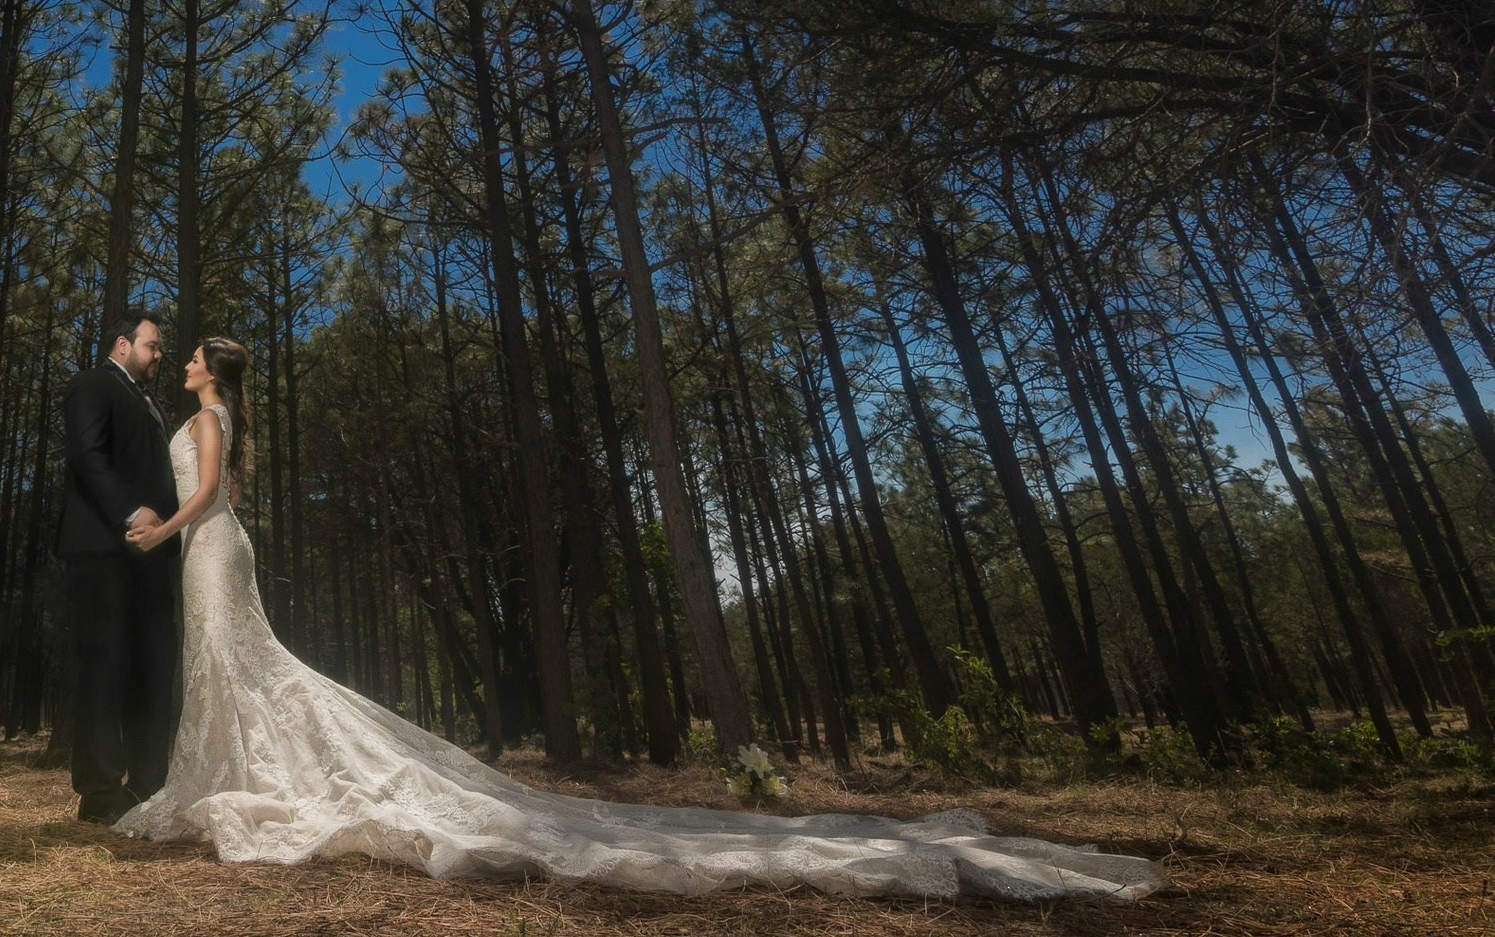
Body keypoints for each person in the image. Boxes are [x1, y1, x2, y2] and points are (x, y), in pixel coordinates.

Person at [116, 336, 1165, 901]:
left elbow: (209, 497)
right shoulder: (217, 412)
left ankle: (249, 781)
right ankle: (231, 774)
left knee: (244, 666)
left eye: (197, 354)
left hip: (208, 551)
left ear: (216, 373)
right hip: (212, 555)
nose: (190, 361)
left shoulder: (209, 419)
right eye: (189, 354)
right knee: (237, 670)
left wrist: (166, 531)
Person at [55, 309, 180, 823]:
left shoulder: (152, 403)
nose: (159, 356)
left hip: (151, 554)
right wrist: (132, 512)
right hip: (103, 548)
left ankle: (149, 785)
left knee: (154, 666)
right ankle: (101, 794)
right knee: (104, 668)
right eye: (152, 346)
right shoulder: (89, 384)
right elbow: (87, 456)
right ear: (123, 345)